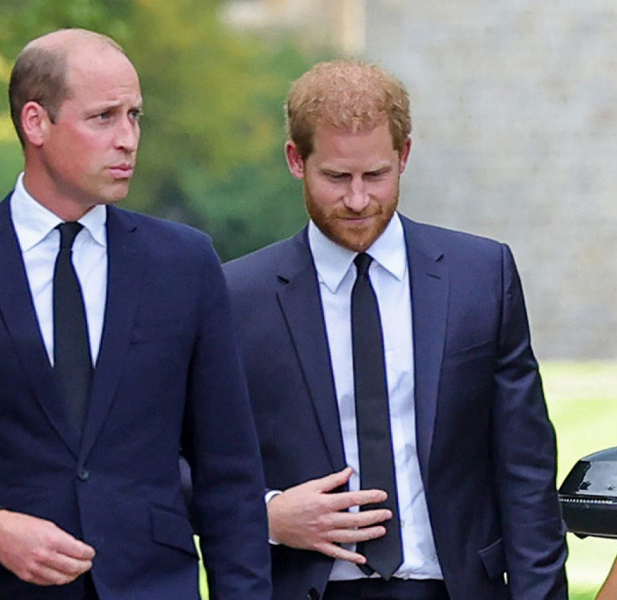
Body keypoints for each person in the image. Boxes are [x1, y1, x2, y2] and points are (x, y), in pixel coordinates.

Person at [0, 28, 271, 600]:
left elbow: (230, 474)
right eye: (104, 117)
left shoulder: (185, 262)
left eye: (135, 115)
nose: (128, 138)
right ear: (35, 123)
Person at [224, 59, 568, 600]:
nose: (358, 200)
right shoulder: (235, 296)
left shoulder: (481, 275)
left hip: (451, 587)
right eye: (337, 177)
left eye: (376, 175)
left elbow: (525, 471)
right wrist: (265, 514)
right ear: (296, 160)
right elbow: (167, 462)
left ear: (404, 156)